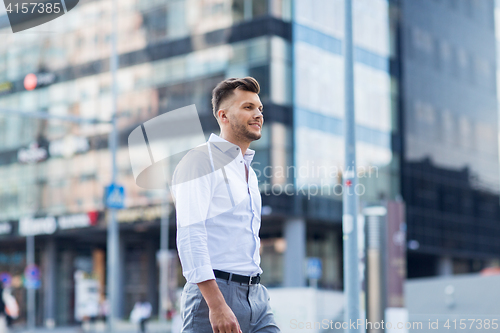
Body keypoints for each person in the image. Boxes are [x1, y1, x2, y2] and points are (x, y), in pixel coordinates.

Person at [172, 77, 280, 333]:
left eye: (259, 109)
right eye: (247, 107)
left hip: (257, 297)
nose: (258, 114)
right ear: (223, 115)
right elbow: (190, 235)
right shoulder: (199, 161)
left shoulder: (248, 172)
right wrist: (217, 304)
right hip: (214, 296)